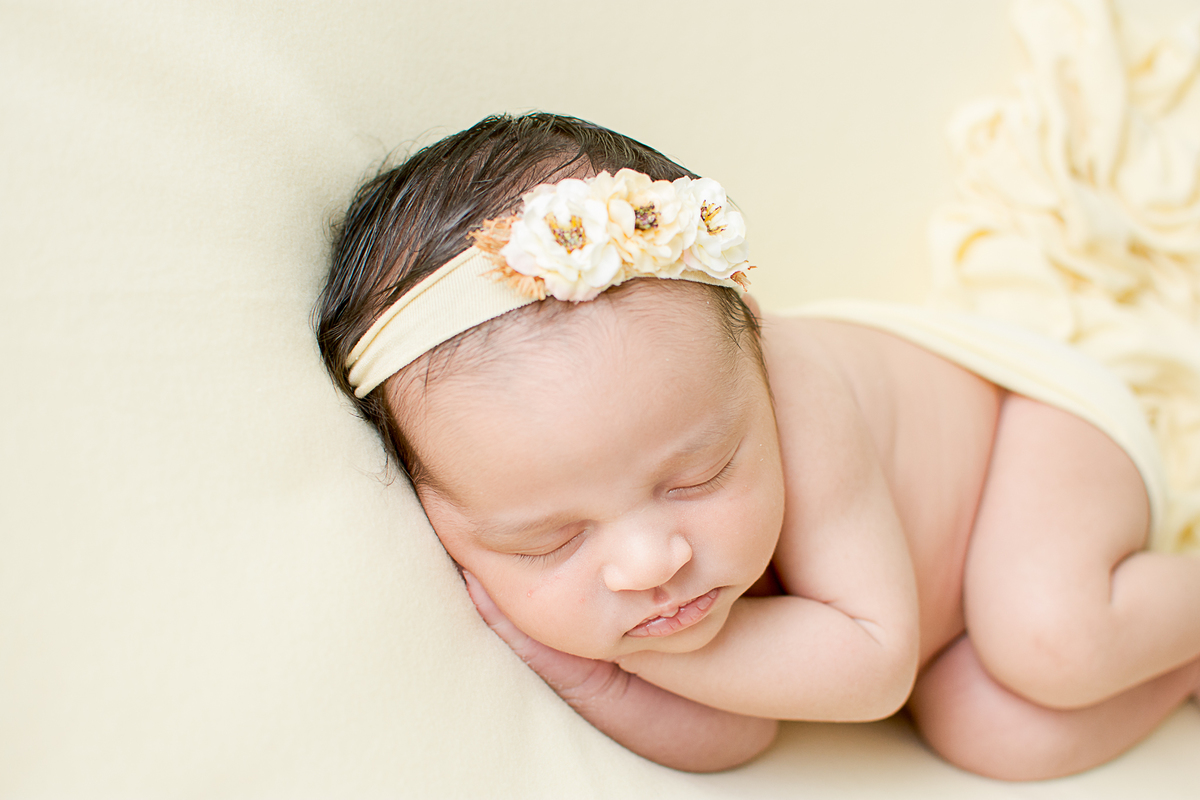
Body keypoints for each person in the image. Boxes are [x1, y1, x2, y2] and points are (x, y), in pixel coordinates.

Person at [315, 112, 1200, 781]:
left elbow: (872, 664)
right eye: (551, 540)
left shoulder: (800, 397)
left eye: (699, 474)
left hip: (1032, 435)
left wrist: (623, 648)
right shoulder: (600, 572)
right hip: (941, 622)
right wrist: (586, 675)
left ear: (753, 359)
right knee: (985, 732)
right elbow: (736, 735)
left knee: (1049, 638)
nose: (649, 560)